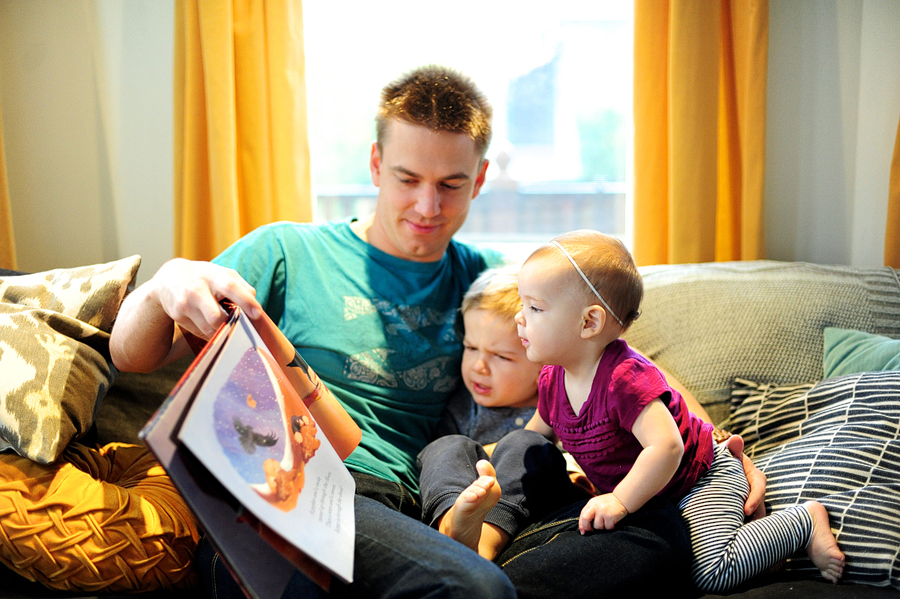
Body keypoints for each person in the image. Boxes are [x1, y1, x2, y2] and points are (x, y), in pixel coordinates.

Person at [109, 65, 763, 599]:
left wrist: (725, 454)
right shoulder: (287, 251)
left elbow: (619, 363)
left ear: (480, 179)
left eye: (451, 184)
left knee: (657, 540)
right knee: (474, 591)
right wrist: (169, 280)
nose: (428, 206)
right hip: (306, 485)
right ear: (374, 165)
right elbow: (130, 355)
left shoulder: (488, 282)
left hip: (427, 504)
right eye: (407, 179)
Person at [494, 229, 844, 593]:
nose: (520, 317)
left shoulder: (625, 378)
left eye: (534, 308)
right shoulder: (553, 378)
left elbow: (667, 448)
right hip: (649, 498)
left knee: (710, 573)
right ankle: (761, 559)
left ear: (589, 323)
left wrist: (619, 500)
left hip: (699, 477)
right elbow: (534, 438)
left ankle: (802, 522)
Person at [418, 265, 590, 560]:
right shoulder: (462, 406)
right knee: (445, 446)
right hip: (471, 504)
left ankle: (479, 543)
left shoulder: (559, 402)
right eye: (471, 348)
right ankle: (453, 522)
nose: (479, 367)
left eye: (501, 356)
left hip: (540, 515)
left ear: (545, 363)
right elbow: (444, 468)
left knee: (526, 444)